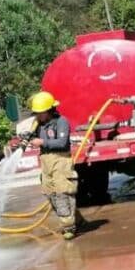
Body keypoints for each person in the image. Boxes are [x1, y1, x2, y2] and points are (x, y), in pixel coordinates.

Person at [27, 91, 81, 240]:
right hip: (46, 162)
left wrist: (43, 142)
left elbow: (62, 143)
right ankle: (75, 218)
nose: (37, 115)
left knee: (62, 193)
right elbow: (32, 137)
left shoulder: (61, 121)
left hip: (60, 161)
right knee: (49, 193)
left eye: (40, 112)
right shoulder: (38, 124)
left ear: (48, 110)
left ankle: (68, 227)